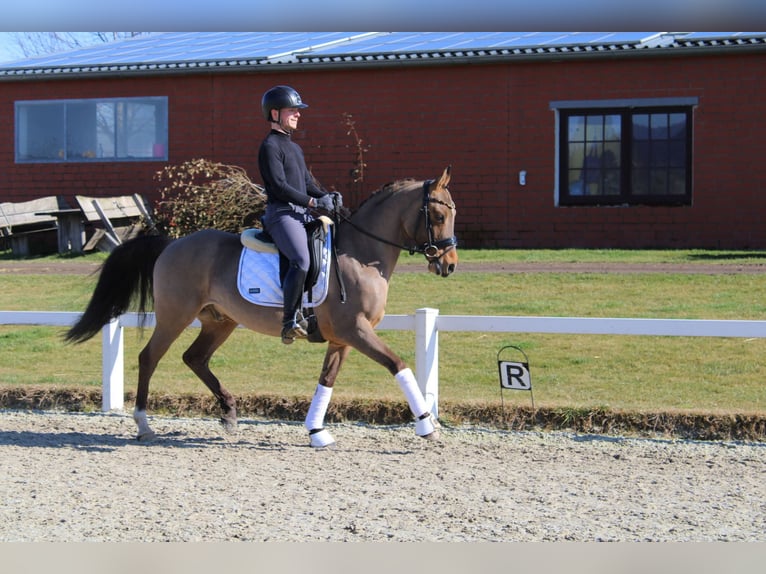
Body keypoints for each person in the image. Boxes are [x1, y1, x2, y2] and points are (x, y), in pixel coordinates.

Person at [258, 85, 338, 344]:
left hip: (300, 214)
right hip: (281, 215)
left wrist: (328, 196)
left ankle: (315, 312)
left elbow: (306, 182)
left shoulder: (295, 148)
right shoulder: (270, 147)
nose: (298, 115)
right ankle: (290, 320)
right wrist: (313, 200)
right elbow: (280, 187)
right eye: (292, 111)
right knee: (301, 260)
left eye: (297, 111)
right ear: (275, 113)